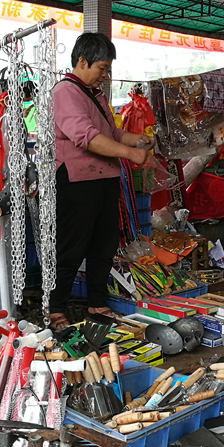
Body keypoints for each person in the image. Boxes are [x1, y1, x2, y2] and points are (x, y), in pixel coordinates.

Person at [49, 32, 151, 327]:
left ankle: (96, 304)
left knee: (103, 246)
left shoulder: (95, 96)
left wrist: (139, 140)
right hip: (77, 182)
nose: (104, 76)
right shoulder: (65, 92)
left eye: (107, 70)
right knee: (71, 247)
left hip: (104, 180)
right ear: (82, 61)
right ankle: (56, 308)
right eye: (102, 69)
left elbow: (112, 132)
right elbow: (87, 138)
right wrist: (130, 155)